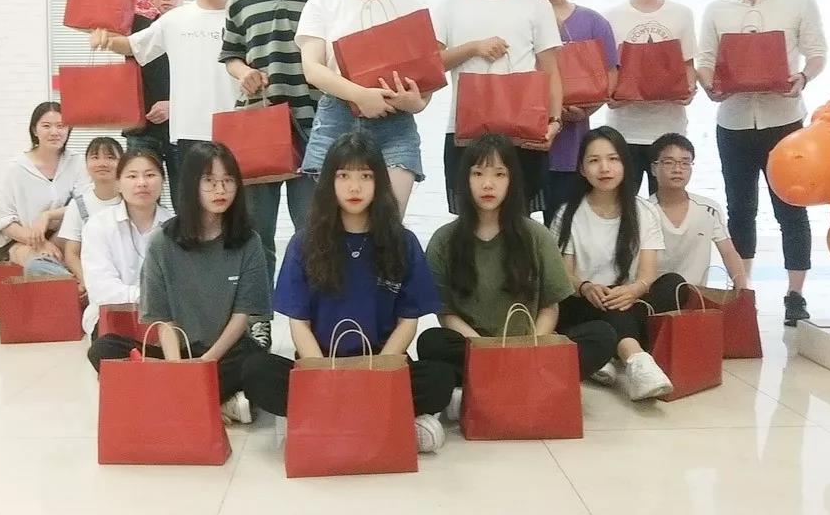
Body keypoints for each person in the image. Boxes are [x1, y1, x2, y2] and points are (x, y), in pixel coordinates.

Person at [241, 132, 456, 453]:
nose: (354, 187)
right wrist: (324, 374)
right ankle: (386, 421)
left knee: (439, 378)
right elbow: (299, 323)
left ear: (379, 182)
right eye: (344, 176)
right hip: (321, 364)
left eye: (365, 176)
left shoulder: (402, 242)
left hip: (380, 363)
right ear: (329, 182)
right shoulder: (305, 243)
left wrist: (378, 371)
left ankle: (324, 421)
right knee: (257, 371)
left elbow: (408, 321)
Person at [418, 134, 616, 416]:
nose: (488, 184)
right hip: (474, 346)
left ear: (512, 181)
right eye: (478, 174)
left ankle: (486, 389)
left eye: (499, 174)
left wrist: (530, 345)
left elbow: (550, 305)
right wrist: (483, 347)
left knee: (601, 335)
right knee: (432, 342)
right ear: (465, 180)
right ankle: (525, 386)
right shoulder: (445, 239)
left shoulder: (535, 235)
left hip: (530, 344)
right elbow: (446, 313)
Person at [696, 0, 827, 326]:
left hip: (784, 122)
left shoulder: (798, 1)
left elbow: (817, 52)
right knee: (740, 209)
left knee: (791, 207)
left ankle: (795, 295)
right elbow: (705, 60)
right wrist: (709, 86)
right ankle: (743, 292)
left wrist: (803, 77)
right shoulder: (717, 9)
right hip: (733, 122)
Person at [87, 142, 269, 424]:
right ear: (191, 185)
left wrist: (206, 362)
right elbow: (161, 317)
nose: (220, 190)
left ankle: (174, 401)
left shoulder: (248, 241)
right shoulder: (163, 241)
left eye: (228, 181)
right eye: (209, 181)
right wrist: (177, 369)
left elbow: (242, 314)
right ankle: (213, 401)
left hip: (224, 352)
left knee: (261, 366)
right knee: (105, 349)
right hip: (175, 351)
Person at [220, 0, 331, 350]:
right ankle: (258, 321)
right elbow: (230, 54)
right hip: (257, 132)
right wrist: (243, 72)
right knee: (256, 235)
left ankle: (313, 320)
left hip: (314, 131)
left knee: (312, 235)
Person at [294, 0, 432, 216]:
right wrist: (360, 95)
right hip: (336, 120)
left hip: (395, 124)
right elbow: (312, 69)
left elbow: (425, 79)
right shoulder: (322, 4)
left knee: (389, 225)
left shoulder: (409, 6)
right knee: (332, 226)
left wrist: (416, 103)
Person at [435, 0, 563, 215]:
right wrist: (473, 48)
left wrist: (555, 122)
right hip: (464, 131)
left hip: (522, 130)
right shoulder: (451, 4)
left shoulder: (536, 4)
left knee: (519, 220)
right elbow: (432, 64)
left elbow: (550, 71)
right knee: (470, 221)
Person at [550, 126, 687, 401]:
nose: (604, 168)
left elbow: (648, 273)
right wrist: (586, 287)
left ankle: (605, 354)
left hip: (630, 300)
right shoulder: (568, 214)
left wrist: (634, 290)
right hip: (585, 304)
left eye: (613, 159)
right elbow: (563, 276)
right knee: (604, 305)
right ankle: (637, 361)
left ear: (625, 163)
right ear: (582, 169)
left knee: (675, 285)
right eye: (594, 160)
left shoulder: (644, 211)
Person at [90, 0, 238, 167]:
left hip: (235, 125)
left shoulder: (241, 14)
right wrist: (106, 38)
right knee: (186, 192)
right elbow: (131, 44)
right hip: (189, 129)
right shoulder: (174, 20)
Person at [529, 0, 619, 223]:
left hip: (572, 150)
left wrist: (587, 110)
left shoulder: (594, 23)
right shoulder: (519, 15)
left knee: (564, 227)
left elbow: (610, 76)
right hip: (524, 145)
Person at [604, 0, 698, 195]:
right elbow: (607, 71)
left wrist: (690, 90)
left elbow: (688, 64)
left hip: (669, 130)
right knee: (624, 206)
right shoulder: (610, 17)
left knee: (667, 205)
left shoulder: (682, 14)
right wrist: (609, 95)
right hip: (624, 131)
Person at [89, 0, 185, 205]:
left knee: (185, 201)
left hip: (183, 128)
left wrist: (174, 105)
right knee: (140, 199)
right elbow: (103, 15)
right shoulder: (140, 27)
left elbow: (209, 81)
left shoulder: (195, 29)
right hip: (142, 128)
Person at [80, 149, 172, 341]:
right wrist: (150, 298)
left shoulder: (177, 228)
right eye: (132, 176)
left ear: (163, 181)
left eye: (150, 175)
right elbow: (102, 289)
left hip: (167, 320)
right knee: (107, 347)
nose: (142, 183)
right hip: (113, 317)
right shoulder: (98, 225)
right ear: (118, 184)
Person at [0, 102, 88, 274]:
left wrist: (48, 215)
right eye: (46, 126)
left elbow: (86, 205)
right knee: (39, 264)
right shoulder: (17, 168)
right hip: (23, 239)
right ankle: (69, 282)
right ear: (34, 130)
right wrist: (40, 243)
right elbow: (6, 221)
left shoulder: (77, 162)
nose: (54, 132)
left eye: (60, 126)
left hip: (64, 235)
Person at [647, 133, 747, 289]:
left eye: (685, 163)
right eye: (669, 162)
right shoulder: (643, 211)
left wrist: (743, 290)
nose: (677, 169)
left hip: (696, 296)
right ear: (654, 168)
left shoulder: (709, 209)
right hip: (650, 295)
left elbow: (729, 253)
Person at [57, 137, 123, 290]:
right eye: (95, 157)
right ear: (86, 165)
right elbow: (72, 254)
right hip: (92, 276)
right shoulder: (79, 205)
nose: (102, 163)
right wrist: (89, 282)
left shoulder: (132, 201)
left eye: (110, 157)